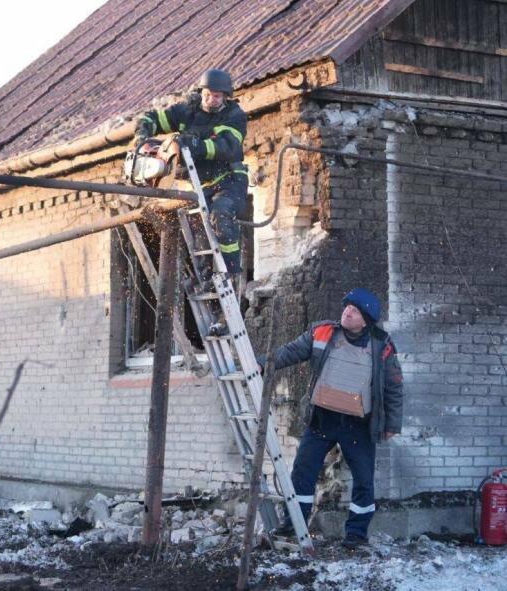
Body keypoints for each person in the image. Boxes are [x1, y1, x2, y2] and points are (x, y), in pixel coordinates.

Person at [266, 288, 404, 548]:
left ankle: (356, 535)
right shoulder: (323, 332)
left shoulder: (381, 344)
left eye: (354, 310)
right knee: (302, 473)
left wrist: (392, 424)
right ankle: (294, 524)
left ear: (366, 320)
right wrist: (263, 363)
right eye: (347, 306)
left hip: (358, 426)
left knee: (363, 480)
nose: (347, 312)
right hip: (322, 420)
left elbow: (394, 385)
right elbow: (290, 352)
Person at [134, 68, 248, 279]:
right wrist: (142, 135)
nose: (211, 100)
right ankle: (206, 280)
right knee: (200, 231)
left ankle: (230, 273)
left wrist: (195, 145)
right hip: (200, 185)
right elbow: (154, 118)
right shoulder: (187, 111)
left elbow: (227, 147)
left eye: (216, 96)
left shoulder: (234, 116)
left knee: (220, 215)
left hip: (229, 180)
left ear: (225, 97)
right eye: (207, 95)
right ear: (201, 92)